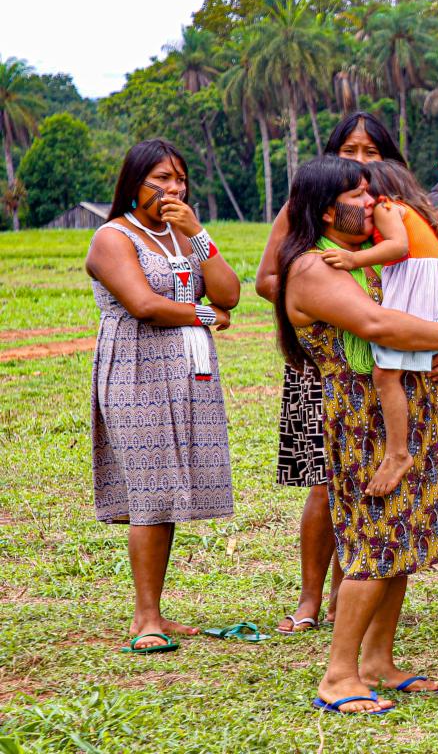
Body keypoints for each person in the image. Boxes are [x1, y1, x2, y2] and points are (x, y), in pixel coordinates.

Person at [276, 155, 438, 714]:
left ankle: (378, 662)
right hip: (364, 423)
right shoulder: (313, 269)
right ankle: (339, 676)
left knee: (400, 543)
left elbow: (417, 311)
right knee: (374, 542)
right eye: (357, 195)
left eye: (370, 192)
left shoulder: (361, 262)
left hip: (406, 410)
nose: (372, 203)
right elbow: (377, 326)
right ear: (322, 208)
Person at [255, 112, 406, 635]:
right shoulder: (309, 208)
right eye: (350, 150)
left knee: (369, 485)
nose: (360, 160)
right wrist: (326, 304)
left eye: (370, 152)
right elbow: (268, 278)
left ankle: (353, 593)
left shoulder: (388, 211)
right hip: (324, 362)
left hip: (382, 362)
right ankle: (311, 596)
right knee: (324, 485)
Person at [87, 139, 240, 653]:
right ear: (134, 183)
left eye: (180, 179)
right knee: (150, 487)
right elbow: (144, 305)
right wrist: (203, 315)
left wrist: (198, 234)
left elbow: (230, 294)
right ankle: (145, 617)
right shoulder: (112, 238)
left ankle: (157, 610)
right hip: (136, 368)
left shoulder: (181, 236)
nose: (173, 189)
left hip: (189, 369)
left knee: (170, 485)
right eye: (161, 179)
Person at [318, 160, 438, 493]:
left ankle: (398, 452)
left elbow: (399, 247)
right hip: (434, 285)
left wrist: (353, 259)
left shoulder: (387, 208)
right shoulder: (408, 211)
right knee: (400, 372)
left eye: (364, 192)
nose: (366, 204)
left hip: (418, 285)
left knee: (385, 374)